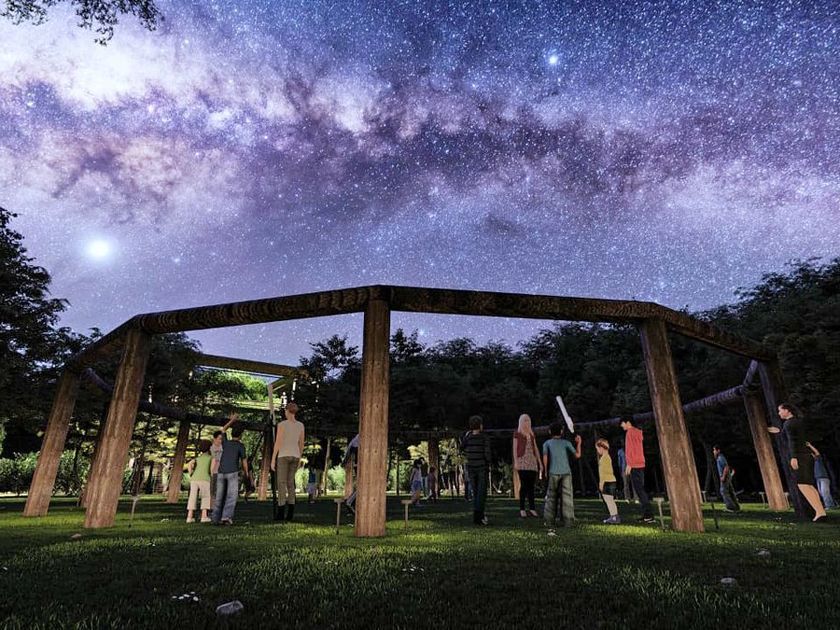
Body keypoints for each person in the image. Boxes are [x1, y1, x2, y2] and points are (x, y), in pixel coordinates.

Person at [779, 402, 827, 522]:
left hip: (800, 456)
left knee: (803, 485)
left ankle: (819, 511)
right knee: (809, 484)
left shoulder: (788, 424)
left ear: (787, 410)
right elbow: (798, 438)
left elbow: (792, 441)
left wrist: (793, 457)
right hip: (807, 456)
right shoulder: (798, 422)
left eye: (780, 410)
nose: (779, 413)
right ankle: (820, 511)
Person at [542, 421, 581, 528]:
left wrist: (545, 470)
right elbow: (577, 455)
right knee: (567, 497)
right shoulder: (566, 443)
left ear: (550, 431)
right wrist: (579, 443)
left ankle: (549, 521)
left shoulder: (547, 443)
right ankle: (568, 522)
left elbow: (545, 457)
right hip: (566, 472)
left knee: (551, 497)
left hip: (553, 472)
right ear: (561, 431)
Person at [212, 415, 249, 525]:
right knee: (231, 496)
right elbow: (244, 461)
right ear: (241, 435)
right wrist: (246, 472)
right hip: (232, 472)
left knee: (219, 496)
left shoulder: (226, 442)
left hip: (221, 471)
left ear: (232, 433)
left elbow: (223, 429)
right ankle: (226, 517)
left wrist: (232, 420)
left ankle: (215, 518)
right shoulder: (240, 446)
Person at [270, 401, 304, 522]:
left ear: (287, 411)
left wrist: (273, 458)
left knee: (281, 483)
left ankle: (281, 512)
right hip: (295, 455)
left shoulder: (282, 425)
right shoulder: (300, 425)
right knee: (290, 484)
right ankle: (290, 513)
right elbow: (301, 443)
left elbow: (278, 442)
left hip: (283, 455)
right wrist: (299, 457)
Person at [620, 416, 654, 524]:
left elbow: (630, 449)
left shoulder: (629, 433)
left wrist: (629, 464)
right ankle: (647, 515)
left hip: (634, 465)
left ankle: (649, 515)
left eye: (622, 423)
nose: (621, 425)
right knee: (640, 490)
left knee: (640, 491)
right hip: (641, 463)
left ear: (628, 422)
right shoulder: (638, 432)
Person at [461, 415, 492, 525]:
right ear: (480, 425)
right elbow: (487, 452)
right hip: (482, 467)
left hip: (471, 467)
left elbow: (462, 447)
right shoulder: (484, 437)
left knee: (475, 492)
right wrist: (488, 462)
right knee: (481, 493)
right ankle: (480, 516)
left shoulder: (468, 436)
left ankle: (477, 516)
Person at [513, 413, 543, 518]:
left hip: (532, 461)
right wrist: (516, 461)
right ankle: (522, 508)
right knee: (524, 485)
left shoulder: (531, 434)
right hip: (522, 461)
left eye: (528, 420)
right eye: (525, 420)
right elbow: (515, 448)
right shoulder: (517, 433)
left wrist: (539, 462)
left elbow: (536, 448)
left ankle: (532, 508)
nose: (526, 422)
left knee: (531, 486)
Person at [186, 439, 213, 523]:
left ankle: (189, 517)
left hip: (194, 479)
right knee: (205, 497)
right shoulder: (211, 458)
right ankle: (204, 516)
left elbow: (189, 464)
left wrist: (191, 473)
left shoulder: (197, 458)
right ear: (209, 448)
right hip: (205, 478)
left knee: (192, 497)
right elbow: (212, 470)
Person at [596, 438, 620, 524]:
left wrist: (601, 483)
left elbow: (603, 472)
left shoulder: (604, 459)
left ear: (601, 448)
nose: (597, 451)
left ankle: (614, 516)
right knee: (610, 500)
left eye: (597, 449)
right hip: (611, 481)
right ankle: (614, 516)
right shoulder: (607, 457)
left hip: (607, 481)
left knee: (608, 500)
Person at [807, 443, 837, 509]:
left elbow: (816, 452)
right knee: (821, 493)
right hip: (818, 479)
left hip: (824, 478)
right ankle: (833, 504)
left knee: (824, 492)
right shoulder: (813, 463)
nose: (813, 456)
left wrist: (810, 446)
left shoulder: (819, 460)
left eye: (813, 455)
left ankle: (829, 505)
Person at [712, 445, 740, 512]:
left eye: (714, 450)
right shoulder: (720, 458)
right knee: (730, 491)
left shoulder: (720, 458)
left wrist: (723, 476)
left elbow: (726, 467)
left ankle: (730, 507)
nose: (713, 451)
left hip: (725, 476)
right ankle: (736, 507)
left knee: (724, 491)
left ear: (718, 450)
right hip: (727, 476)